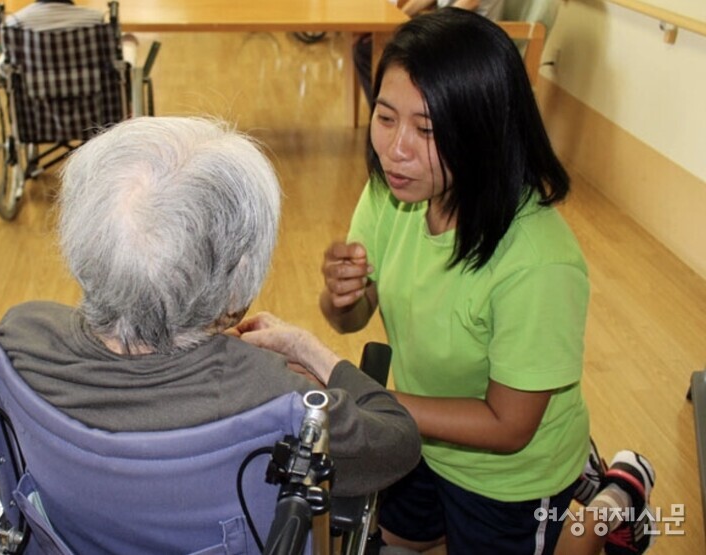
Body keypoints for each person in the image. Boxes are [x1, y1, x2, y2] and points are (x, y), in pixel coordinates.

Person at [238, 9, 654, 554]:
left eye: (427, 130)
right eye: (385, 118)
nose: (396, 149)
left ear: (485, 131)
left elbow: (508, 427)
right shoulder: (396, 191)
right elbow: (353, 316)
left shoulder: (539, 262)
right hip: (417, 436)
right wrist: (342, 297)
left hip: (509, 474)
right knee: (396, 540)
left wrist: (361, 394)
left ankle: (615, 496)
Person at [0, 116, 421, 500]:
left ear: (81, 244)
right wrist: (311, 351)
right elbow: (397, 442)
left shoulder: (21, 338)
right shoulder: (275, 400)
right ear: (237, 287)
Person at [353, 0, 504, 108]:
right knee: (366, 48)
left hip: (472, 38)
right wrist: (395, 23)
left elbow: (470, 2)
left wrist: (427, 24)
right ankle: (388, 113)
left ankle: (397, 115)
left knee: (380, 52)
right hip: (448, 29)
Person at [2, 0, 104, 32]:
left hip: (34, 82)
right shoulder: (96, 20)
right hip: (86, 81)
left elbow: (4, 68)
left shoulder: (15, 22)